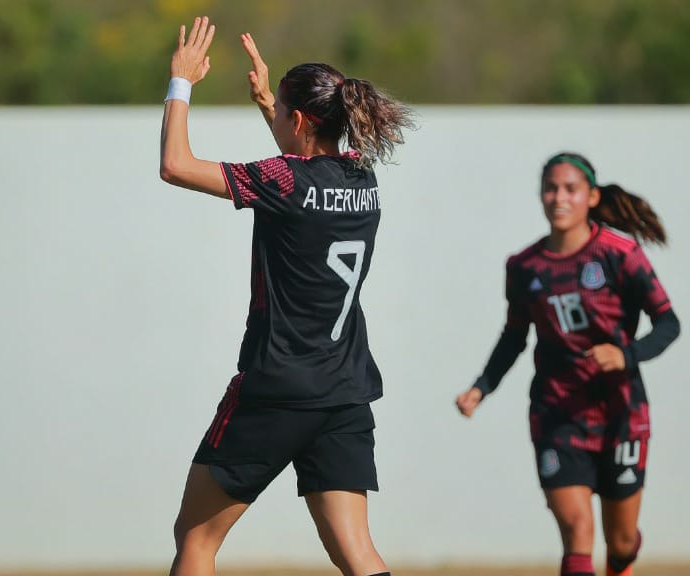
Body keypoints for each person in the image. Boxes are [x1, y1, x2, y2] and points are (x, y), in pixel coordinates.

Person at [159, 17, 413, 576]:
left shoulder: (285, 181)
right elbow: (308, 168)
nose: (273, 116)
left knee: (195, 539)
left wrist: (181, 83)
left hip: (277, 390)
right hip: (343, 394)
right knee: (358, 552)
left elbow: (175, 165)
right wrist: (268, 104)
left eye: (279, 112)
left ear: (297, 119)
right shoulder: (362, 178)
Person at [455, 152, 679, 576]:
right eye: (551, 188)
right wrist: (481, 386)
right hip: (557, 414)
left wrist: (626, 355)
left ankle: (623, 561)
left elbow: (668, 323)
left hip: (621, 413)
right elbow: (514, 337)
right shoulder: (523, 266)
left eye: (570, 189)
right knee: (577, 529)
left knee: (623, 541)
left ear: (591, 197)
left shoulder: (620, 253)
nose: (559, 197)